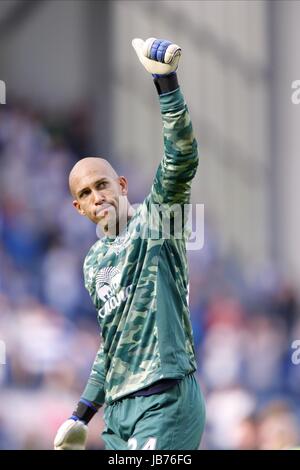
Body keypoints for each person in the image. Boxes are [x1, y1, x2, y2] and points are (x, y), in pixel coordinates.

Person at [54, 37, 205, 450]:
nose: (95, 197)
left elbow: (181, 159)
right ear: (78, 208)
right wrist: (81, 412)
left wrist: (166, 84)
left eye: (101, 185)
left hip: (165, 398)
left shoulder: (157, 219)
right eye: (84, 194)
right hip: (118, 415)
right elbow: (113, 342)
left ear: (120, 186)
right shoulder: (92, 263)